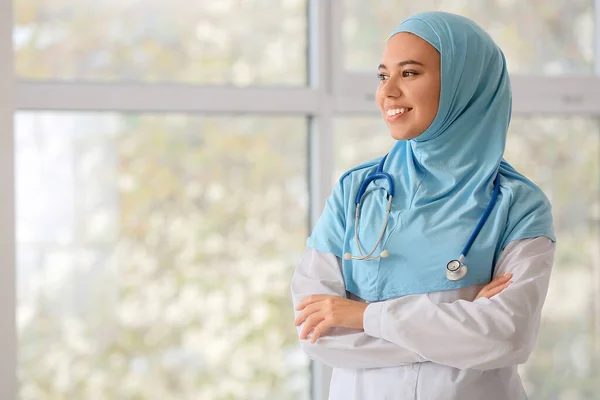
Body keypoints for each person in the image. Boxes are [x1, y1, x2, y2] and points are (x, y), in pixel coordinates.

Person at [290, 11, 556, 400]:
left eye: (409, 73)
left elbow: (509, 336)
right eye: (383, 76)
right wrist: (461, 333)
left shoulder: (519, 204)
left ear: (465, 84)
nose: (387, 92)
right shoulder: (357, 192)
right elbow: (317, 334)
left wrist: (363, 316)